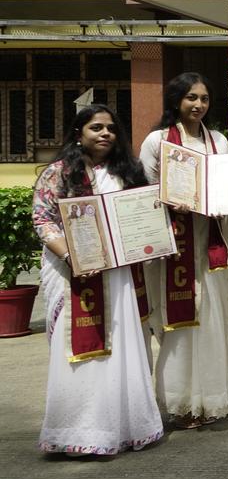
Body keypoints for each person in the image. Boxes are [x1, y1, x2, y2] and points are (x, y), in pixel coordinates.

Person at [34, 105, 163, 456]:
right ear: (79, 133)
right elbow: (44, 221)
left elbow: (144, 216)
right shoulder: (58, 173)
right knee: (75, 348)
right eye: (96, 127)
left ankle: (124, 427)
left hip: (119, 275)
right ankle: (75, 430)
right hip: (72, 273)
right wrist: (72, 258)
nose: (105, 134)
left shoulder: (128, 173)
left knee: (121, 345)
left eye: (111, 128)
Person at [138, 72, 228, 429]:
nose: (198, 105)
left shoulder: (218, 140)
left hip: (210, 242)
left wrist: (226, 201)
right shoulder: (157, 142)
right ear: (175, 101)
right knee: (182, 324)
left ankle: (210, 400)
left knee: (211, 320)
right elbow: (145, 192)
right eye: (191, 98)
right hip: (175, 246)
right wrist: (172, 201)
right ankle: (180, 403)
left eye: (203, 98)